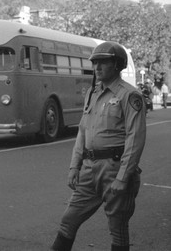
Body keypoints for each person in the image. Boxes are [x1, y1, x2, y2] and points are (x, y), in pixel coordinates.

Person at [51, 41, 146, 251]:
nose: (97, 67)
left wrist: (123, 177)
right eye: (95, 63)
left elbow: (135, 138)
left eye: (103, 62)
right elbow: (83, 132)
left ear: (117, 65)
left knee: (118, 229)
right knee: (68, 220)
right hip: (89, 169)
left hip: (115, 169)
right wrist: (74, 166)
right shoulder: (92, 93)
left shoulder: (130, 95)